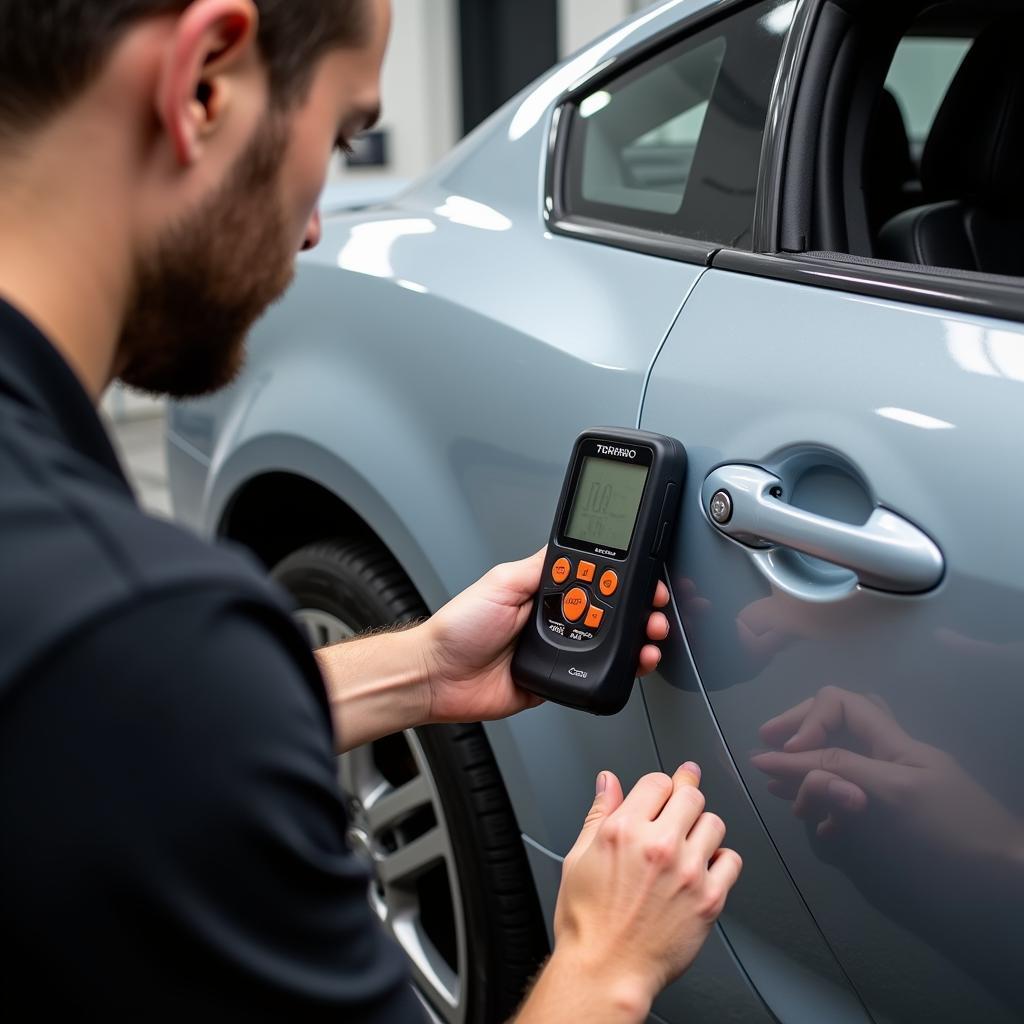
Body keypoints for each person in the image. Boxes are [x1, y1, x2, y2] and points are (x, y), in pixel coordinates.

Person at [0, 1, 742, 1019]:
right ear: (205, 84)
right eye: (341, 135)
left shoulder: (98, 635)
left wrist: (421, 669)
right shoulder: (137, 634)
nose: (313, 226)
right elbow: (134, 696)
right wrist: (602, 962)